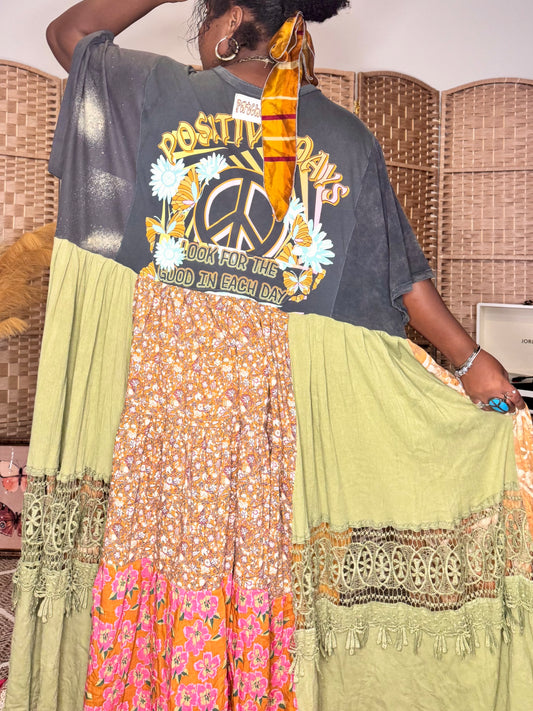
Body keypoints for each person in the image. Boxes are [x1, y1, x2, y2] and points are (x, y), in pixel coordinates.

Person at [6, 1, 533, 710]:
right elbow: (404, 282)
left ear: (229, 24)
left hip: (163, 419)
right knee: (259, 584)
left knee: (156, 577)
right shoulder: (346, 137)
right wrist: (470, 362)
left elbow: (69, 34)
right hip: (272, 434)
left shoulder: (158, 92)